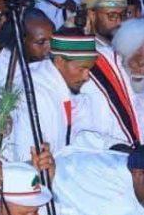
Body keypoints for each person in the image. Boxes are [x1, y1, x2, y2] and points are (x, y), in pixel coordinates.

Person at [75, 18, 144, 151]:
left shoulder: (141, 78)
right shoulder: (94, 72)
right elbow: (82, 132)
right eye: (140, 64)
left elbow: (142, 134)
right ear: (124, 53)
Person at [7, 29, 97, 163]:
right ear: (59, 61)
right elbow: (25, 158)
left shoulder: (69, 86)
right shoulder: (34, 93)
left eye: (89, 69)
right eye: (81, 69)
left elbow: (83, 138)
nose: (86, 77)